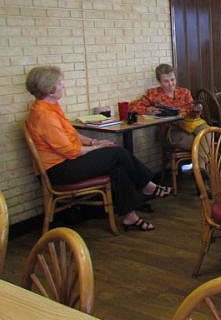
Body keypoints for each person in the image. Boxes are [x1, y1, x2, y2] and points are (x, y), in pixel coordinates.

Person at [25, 66, 170, 232]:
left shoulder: (51, 107)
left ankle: (131, 216)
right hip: (59, 170)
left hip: (68, 161)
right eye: (60, 83)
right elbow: (71, 151)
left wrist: (94, 142)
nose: (63, 86)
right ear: (50, 90)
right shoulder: (44, 116)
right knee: (118, 152)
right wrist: (97, 148)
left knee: (118, 166)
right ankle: (147, 185)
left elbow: (72, 134)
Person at [129, 63, 206, 151]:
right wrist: (147, 110)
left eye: (173, 80)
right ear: (159, 82)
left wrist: (197, 109)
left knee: (208, 134)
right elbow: (131, 107)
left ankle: (200, 165)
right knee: (200, 142)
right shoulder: (154, 94)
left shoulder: (184, 92)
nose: (171, 84)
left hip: (190, 124)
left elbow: (193, 114)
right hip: (170, 131)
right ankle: (203, 164)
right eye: (166, 81)